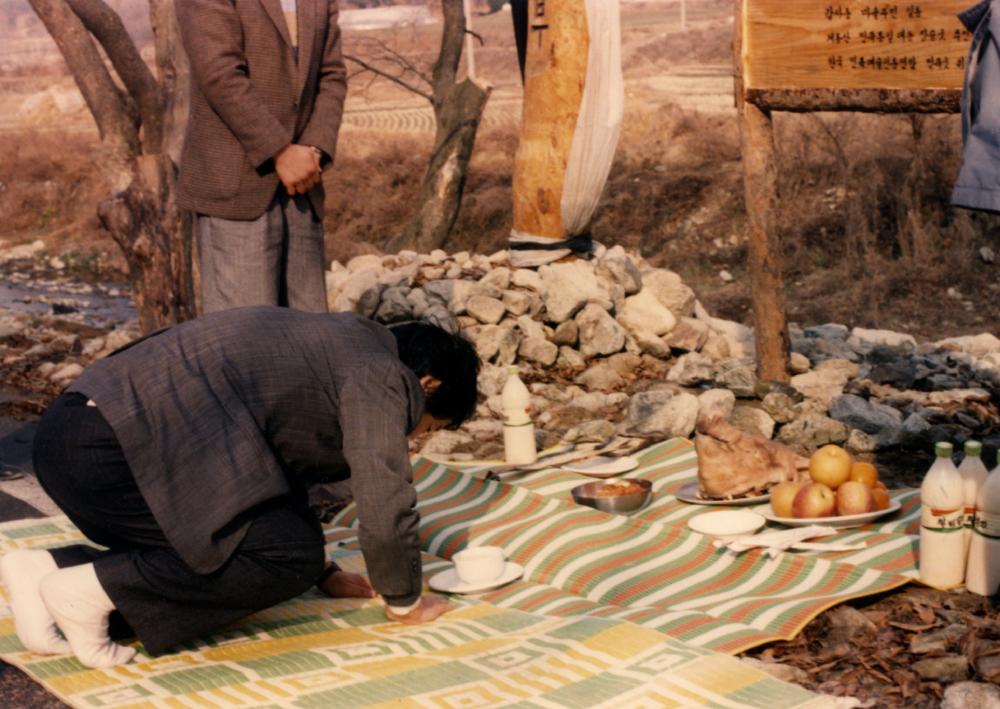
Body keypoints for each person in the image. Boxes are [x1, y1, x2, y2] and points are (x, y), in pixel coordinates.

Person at [0, 309, 480, 667]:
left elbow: (272, 475)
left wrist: (326, 568)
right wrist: (404, 599)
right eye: (428, 428)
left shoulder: (338, 343)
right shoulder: (382, 376)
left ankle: (47, 570)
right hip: (112, 459)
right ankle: (92, 591)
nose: (414, 440)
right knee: (284, 560)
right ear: (428, 382)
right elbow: (385, 489)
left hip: (68, 441)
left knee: (292, 548)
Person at [174, 0, 348, 313]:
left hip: (303, 186)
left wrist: (314, 149)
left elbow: (332, 74)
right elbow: (219, 74)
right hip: (235, 188)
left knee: (311, 338)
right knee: (245, 341)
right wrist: (279, 150)